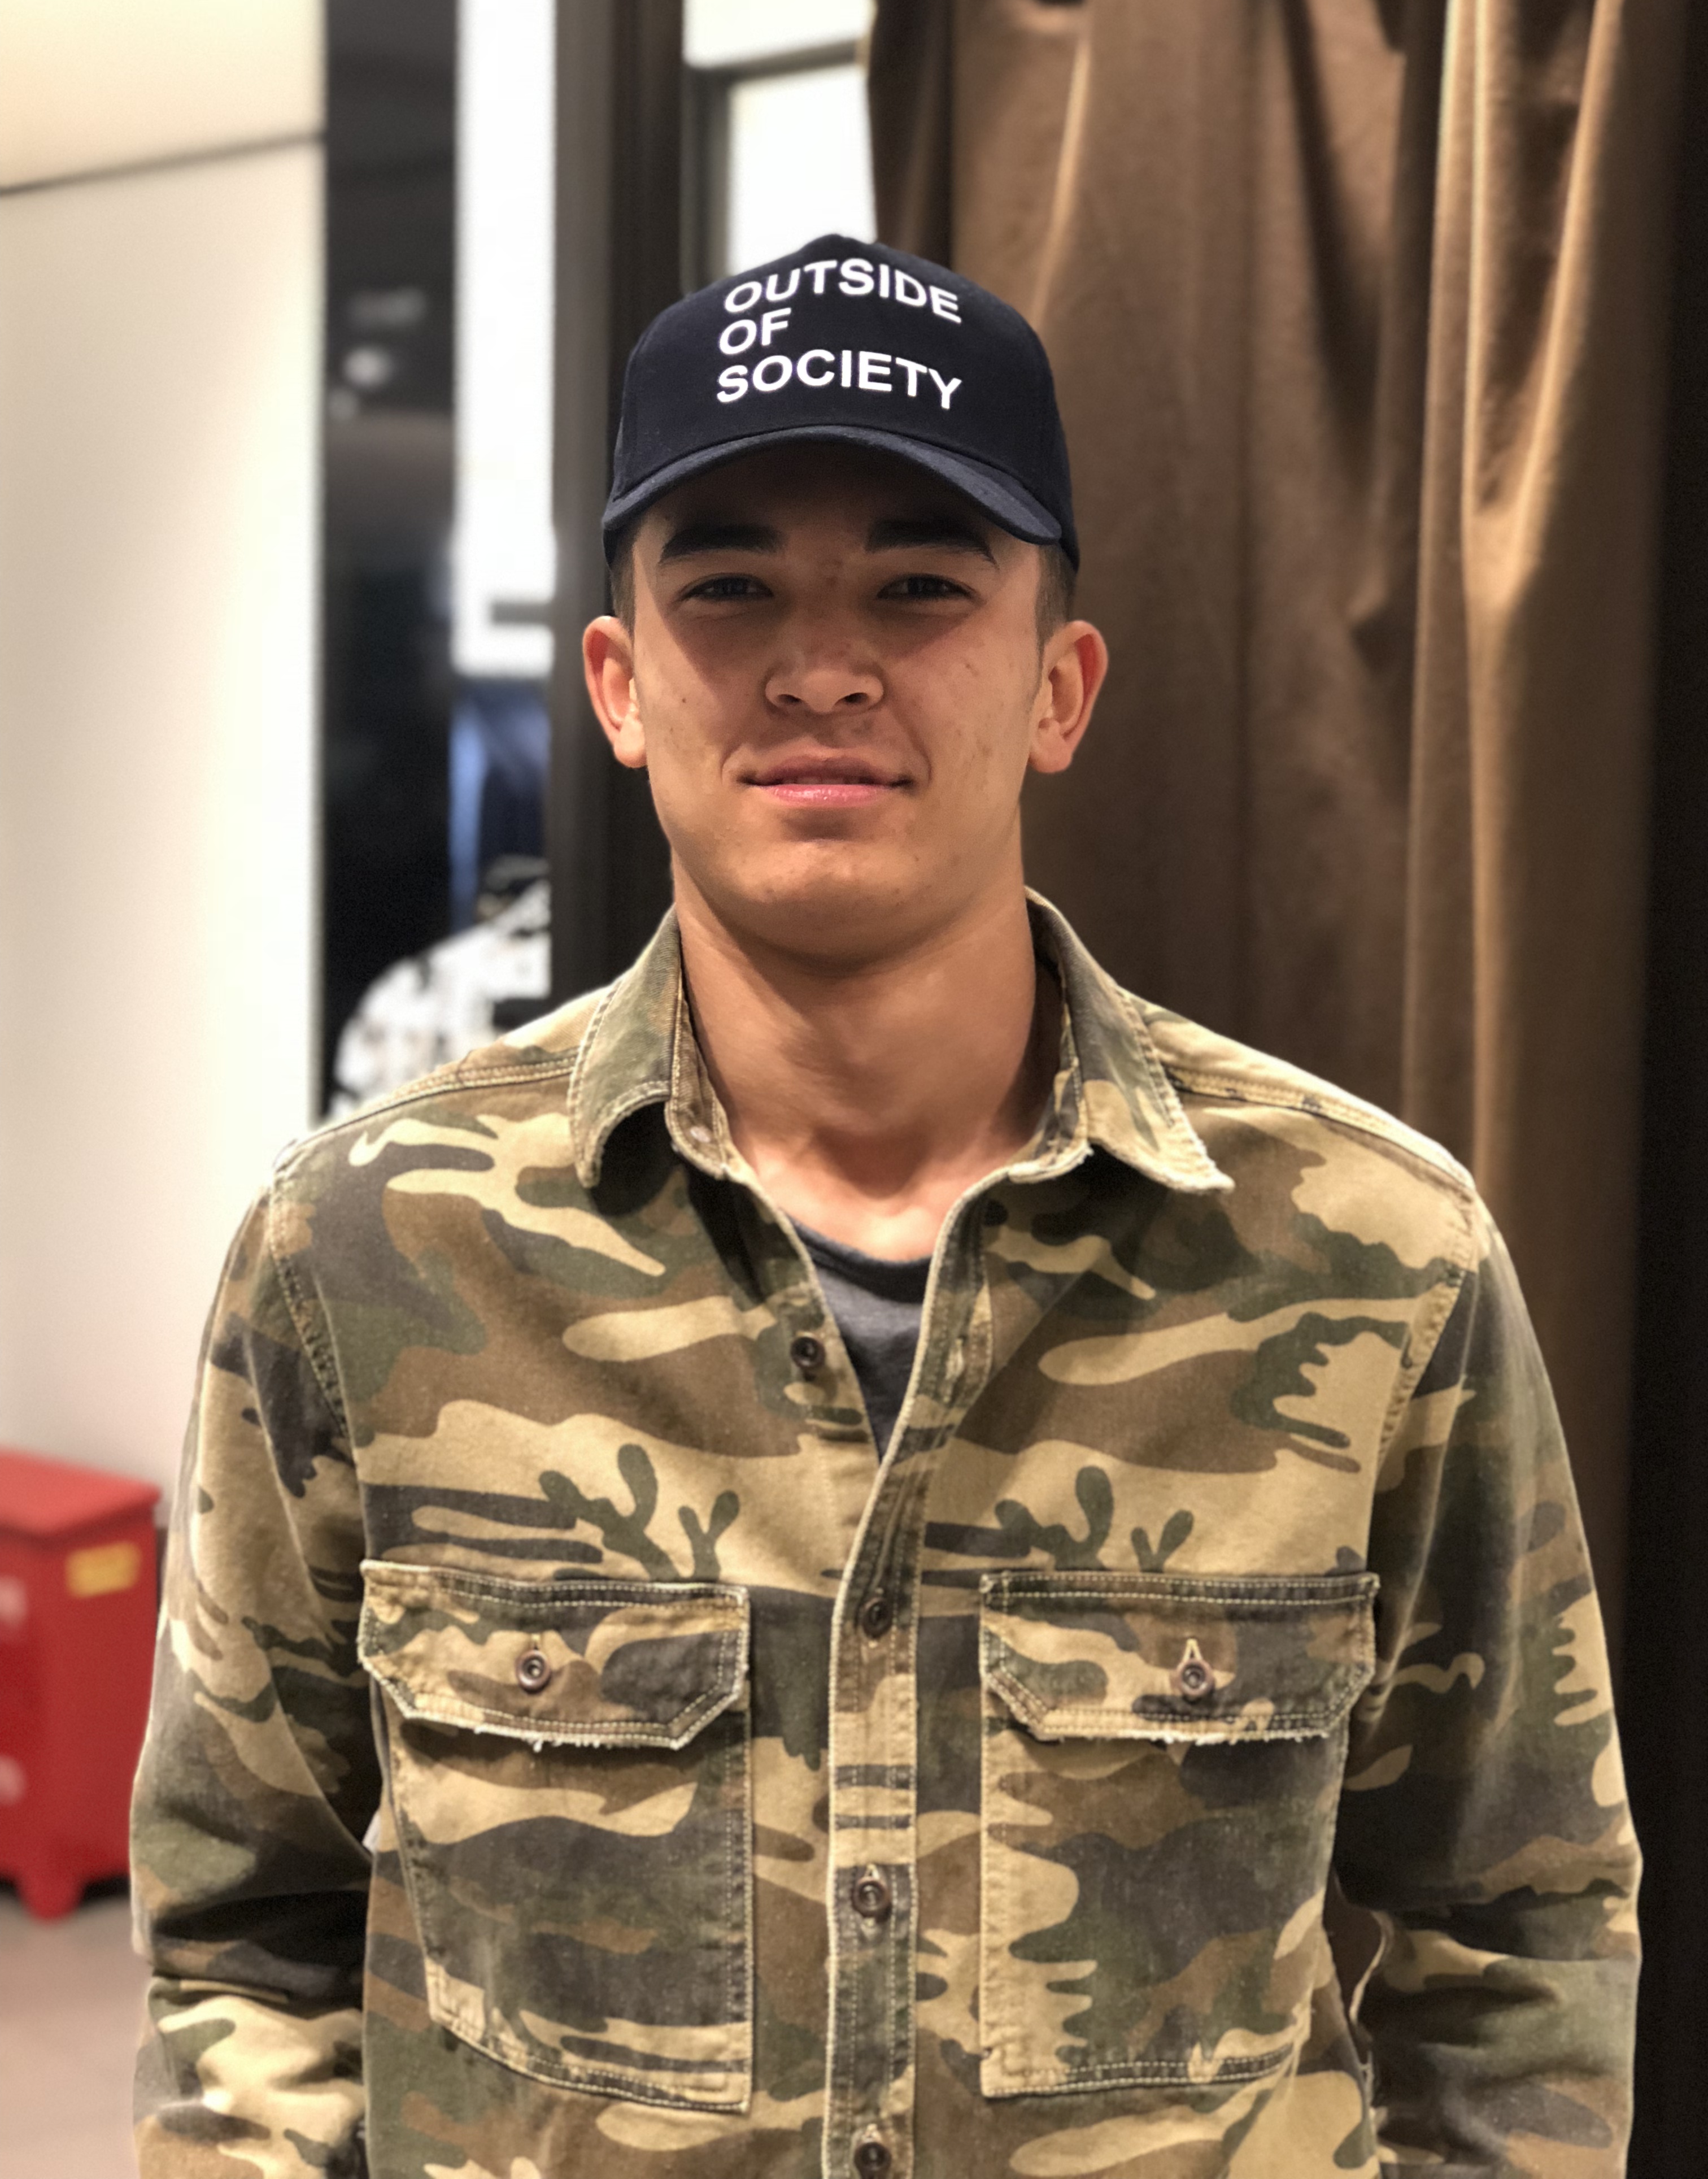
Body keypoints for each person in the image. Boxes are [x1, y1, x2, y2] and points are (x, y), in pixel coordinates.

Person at [132, 235, 1639, 2179]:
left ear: (1060, 687)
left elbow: (1516, 1936)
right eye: (730, 586)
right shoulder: (365, 1251)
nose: (821, 667)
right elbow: (243, 1935)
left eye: (921, 586)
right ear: (616, 686)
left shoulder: (1378, 1257)